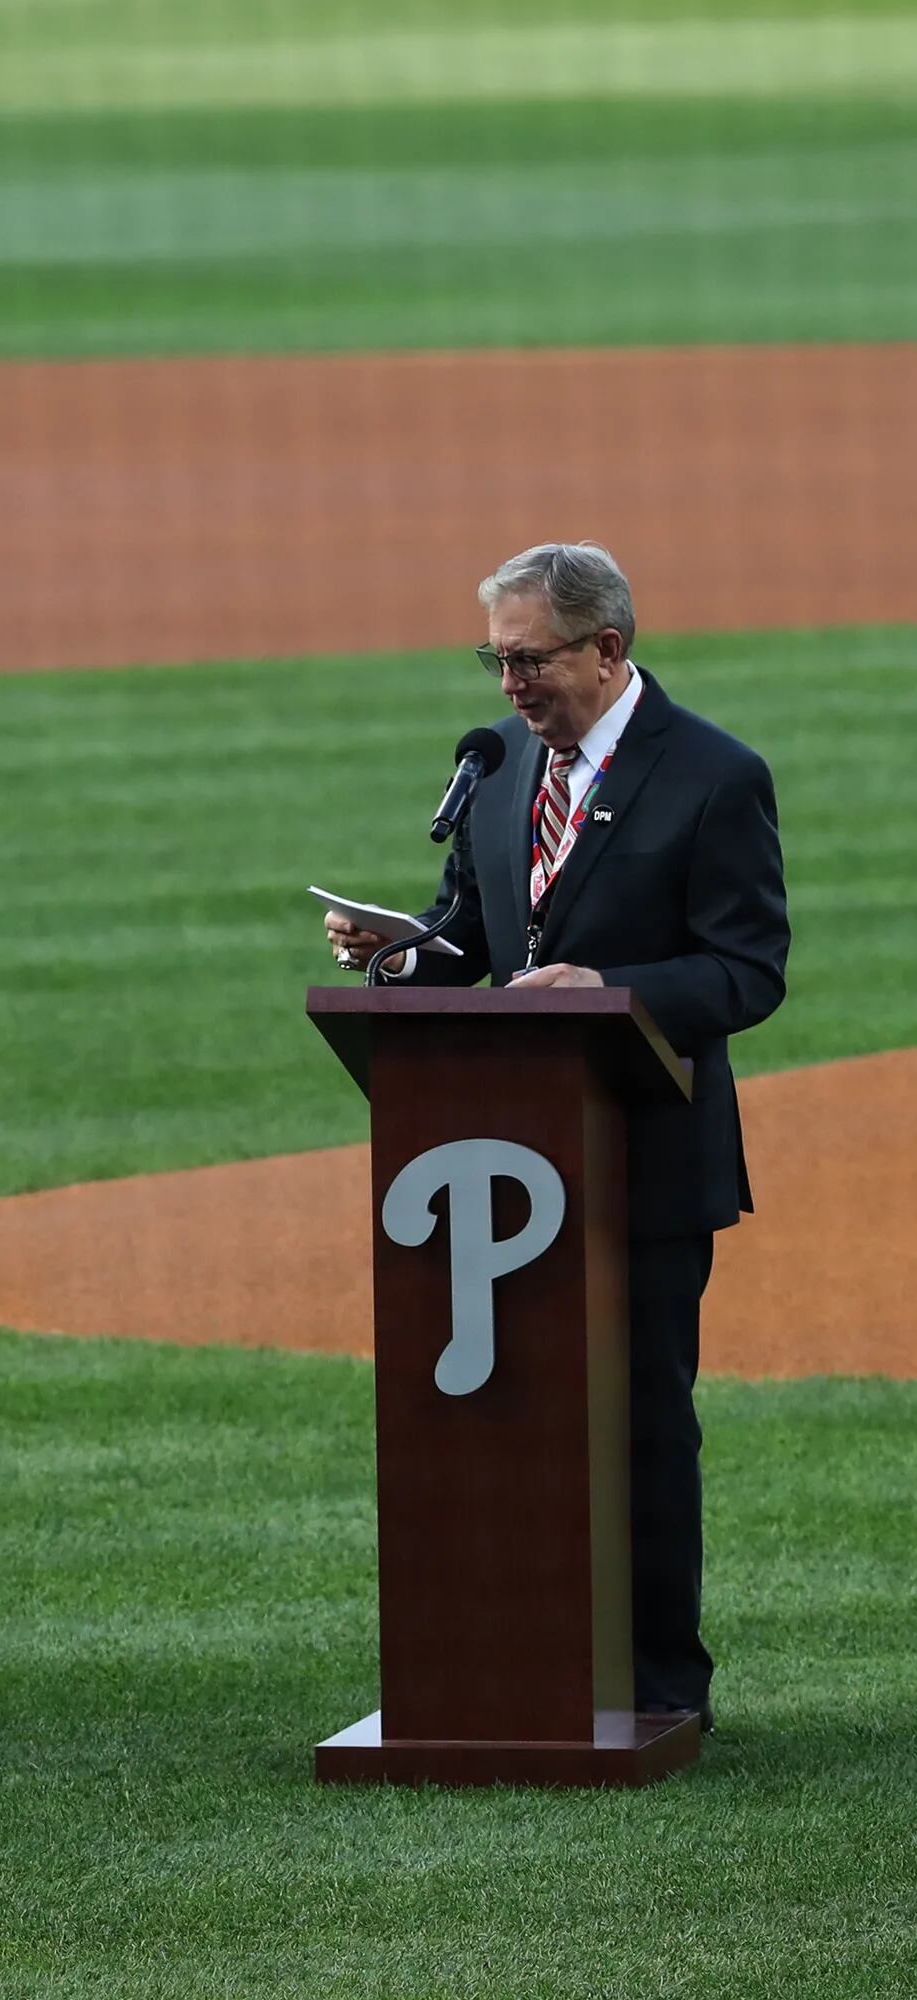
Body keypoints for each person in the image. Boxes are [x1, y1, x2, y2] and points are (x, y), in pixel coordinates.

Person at [326, 540, 788, 1728]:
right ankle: (513, 1664)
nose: (507, 684)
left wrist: (614, 993)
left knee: (640, 1426)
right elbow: (476, 940)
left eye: (528, 658)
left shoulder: (713, 776)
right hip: (510, 1170)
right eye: (495, 656)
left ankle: (657, 1685)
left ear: (608, 647)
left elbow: (748, 969)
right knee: (506, 1418)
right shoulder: (500, 774)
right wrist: (398, 957)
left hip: (646, 1163)